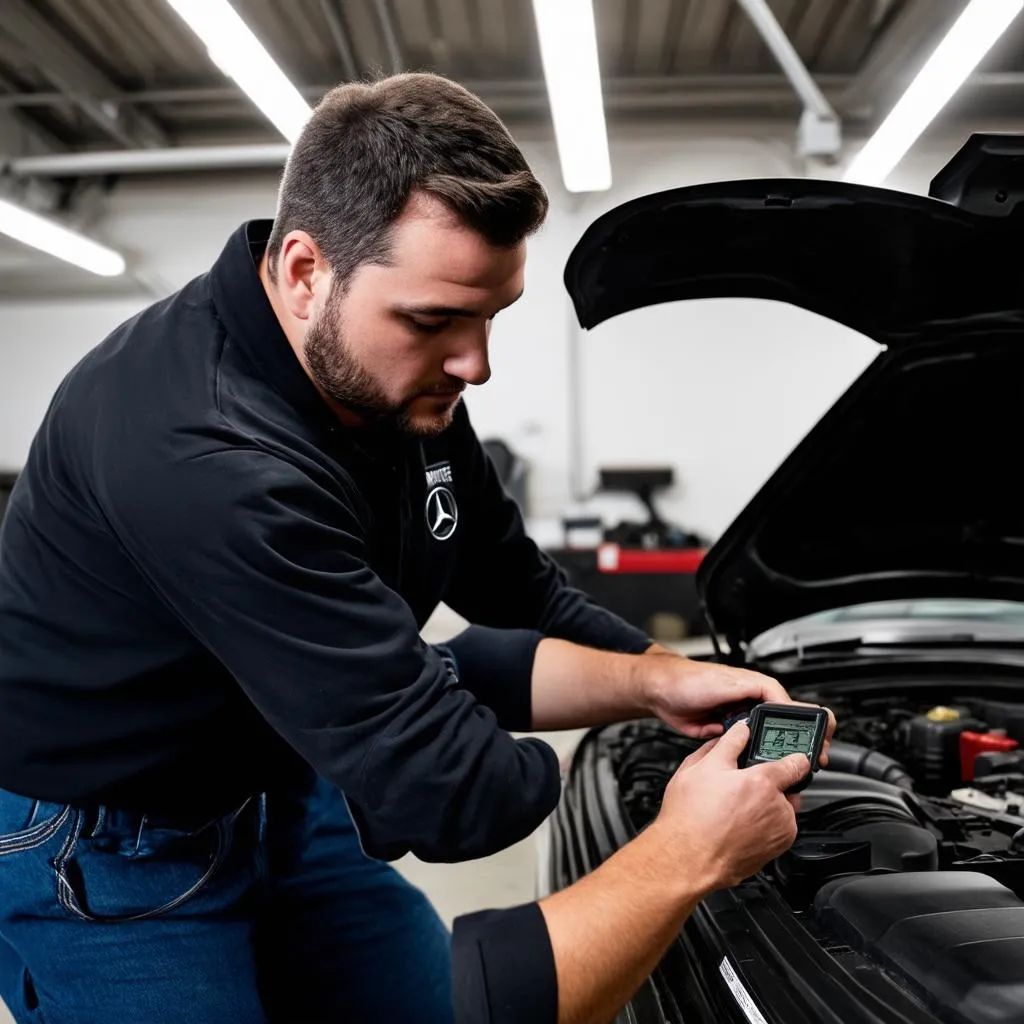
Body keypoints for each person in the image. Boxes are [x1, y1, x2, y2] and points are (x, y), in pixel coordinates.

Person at [0, 72, 826, 1023]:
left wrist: (656, 672)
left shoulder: (392, 385)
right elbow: (456, 792)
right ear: (307, 271)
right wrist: (685, 833)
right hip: (110, 843)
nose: (476, 364)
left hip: (275, 780)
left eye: (490, 317)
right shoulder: (201, 451)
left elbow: (513, 586)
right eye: (435, 321)